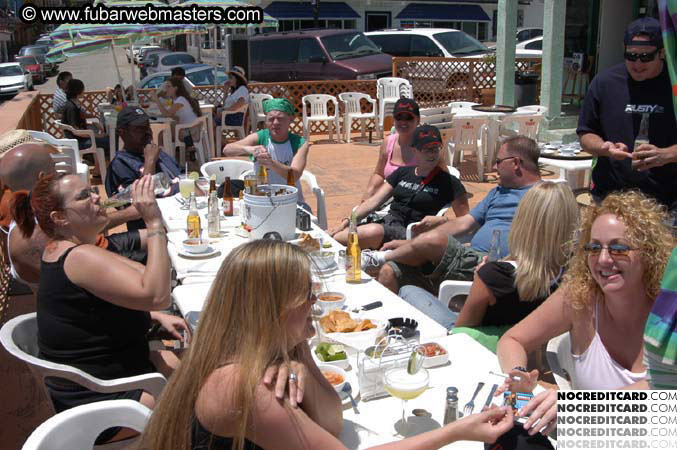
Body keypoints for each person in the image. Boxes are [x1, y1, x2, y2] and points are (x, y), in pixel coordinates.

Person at [139, 239, 515, 450]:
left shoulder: (241, 351)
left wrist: (300, 353)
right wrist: (457, 431)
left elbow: (333, 421)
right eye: (307, 296)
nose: (316, 305)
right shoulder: (244, 388)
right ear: (273, 309)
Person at [11, 173, 188, 443]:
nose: (96, 197)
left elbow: (139, 278)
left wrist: (153, 315)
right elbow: (157, 294)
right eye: (83, 196)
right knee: (205, 396)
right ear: (60, 218)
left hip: (110, 372)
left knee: (191, 363)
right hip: (104, 399)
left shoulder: (71, 249)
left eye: (92, 191)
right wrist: (153, 222)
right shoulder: (79, 257)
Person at [495, 191, 672, 437]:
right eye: (593, 247)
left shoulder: (669, 311)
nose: (603, 259)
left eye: (619, 248)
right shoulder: (579, 298)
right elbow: (512, 340)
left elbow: (666, 392)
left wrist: (579, 405)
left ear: (648, 253)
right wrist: (519, 376)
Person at [367, 135, 543, 294]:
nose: (494, 166)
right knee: (390, 272)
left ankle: (377, 258)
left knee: (435, 239)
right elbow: (463, 223)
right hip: (466, 259)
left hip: (493, 266)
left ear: (515, 163)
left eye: (498, 161)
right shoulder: (499, 191)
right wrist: (412, 243)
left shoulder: (545, 197)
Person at [399, 181, 578, 330]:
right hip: (531, 341)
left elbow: (463, 330)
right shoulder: (574, 271)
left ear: (522, 219)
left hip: (484, 346)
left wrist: (480, 278)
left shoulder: (495, 275)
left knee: (408, 291)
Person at [0, 138, 146, 290]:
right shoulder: (45, 231)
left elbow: (86, 222)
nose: (59, 174)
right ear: (42, 178)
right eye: (54, 168)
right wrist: (132, 214)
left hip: (95, 255)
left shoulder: (22, 216)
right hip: (96, 284)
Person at [577, 17, 677, 216]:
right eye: (631, 56)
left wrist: (666, 155)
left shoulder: (673, 84)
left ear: (662, 52)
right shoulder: (605, 82)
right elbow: (586, 133)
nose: (637, 63)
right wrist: (604, 148)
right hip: (611, 198)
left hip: (666, 202)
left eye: (646, 57)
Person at [330, 125, 468, 249]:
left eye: (435, 148)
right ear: (414, 150)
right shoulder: (403, 172)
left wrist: (444, 220)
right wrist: (348, 221)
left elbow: (467, 222)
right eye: (425, 150)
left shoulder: (451, 183)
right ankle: (328, 242)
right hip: (388, 222)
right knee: (358, 232)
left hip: (412, 233)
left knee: (372, 232)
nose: (431, 154)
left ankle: (327, 242)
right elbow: (373, 202)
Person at [223, 97, 311, 206]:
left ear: (291, 119)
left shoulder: (299, 143)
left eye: (280, 118)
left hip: (291, 201)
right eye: (271, 119)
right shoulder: (260, 137)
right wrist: (248, 149)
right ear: (265, 121)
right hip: (262, 200)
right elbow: (227, 149)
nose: (275, 123)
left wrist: (271, 163)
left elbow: (295, 174)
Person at [105, 106, 181, 231]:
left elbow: (183, 177)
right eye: (139, 128)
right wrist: (150, 161)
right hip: (155, 230)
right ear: (122, 132)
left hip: (182, 217)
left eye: (147, 126)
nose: (147, 132)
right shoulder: (120, 165)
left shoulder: (158, 153)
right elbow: (140, 205)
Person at [362, 98, 421, 201]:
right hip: (390, 199)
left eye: (409, 118)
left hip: (415, 201)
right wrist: (368, 192)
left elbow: (441, 176)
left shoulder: (425, 145)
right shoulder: (388, 142)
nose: (403, 122)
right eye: (399, 117)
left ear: (418, 120)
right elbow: (379, 173)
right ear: (393, 120)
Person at [150, 76, 202, 153]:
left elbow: (166, 114)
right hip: (189, 130)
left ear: (175, 88)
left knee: (161, 133)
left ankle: (163, 156)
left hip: (190, 133)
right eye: (166, 86)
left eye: (169, 86)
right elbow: (174, 116)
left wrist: (157, 100)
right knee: (164, 131)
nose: (166, 89)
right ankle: (166, 154)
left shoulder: (180, 100)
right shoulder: (179, 99)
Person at [61, 78, 111, 157]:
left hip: (80, 139)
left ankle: (100, 162)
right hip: (79, 142)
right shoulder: (71, 107)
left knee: (108, 140)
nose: (84, 91)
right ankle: (104, 164)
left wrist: (92, 123)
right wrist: (95, 135)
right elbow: (76, 130)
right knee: (110, 142)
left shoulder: (73, 103)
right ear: (78, 91)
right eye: (83, 89)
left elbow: (79, 119)